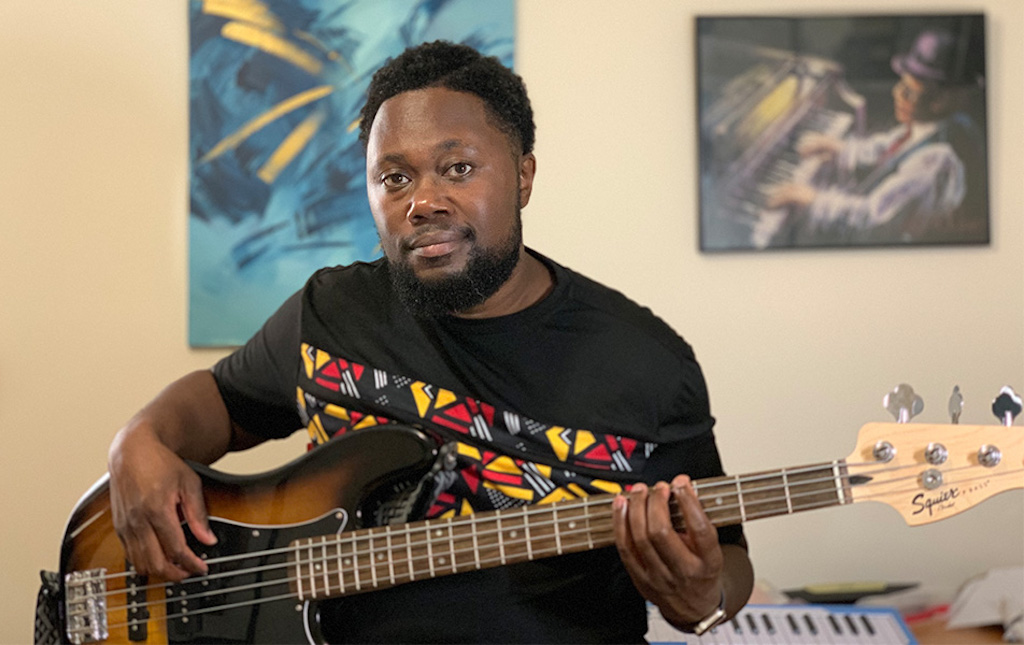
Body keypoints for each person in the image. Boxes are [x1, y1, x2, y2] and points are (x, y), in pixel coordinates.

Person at [108, 41, 754, 643]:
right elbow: (222, 402)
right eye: (394, 178)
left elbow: (727, 556)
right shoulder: (332, 312)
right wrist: (140, 438)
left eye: (458, 168)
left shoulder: (644, 361)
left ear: (523, 176)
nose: (423, 202)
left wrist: (703, 598)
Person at [767, 28, 987, 245]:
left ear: (940, 102)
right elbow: (887, 148)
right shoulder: (931, 126)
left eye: (909, 91)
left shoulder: (935, 160)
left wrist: (812, 200)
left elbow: (871, 217)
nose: (896, 93)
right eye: (900, 83)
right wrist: (839, 147)